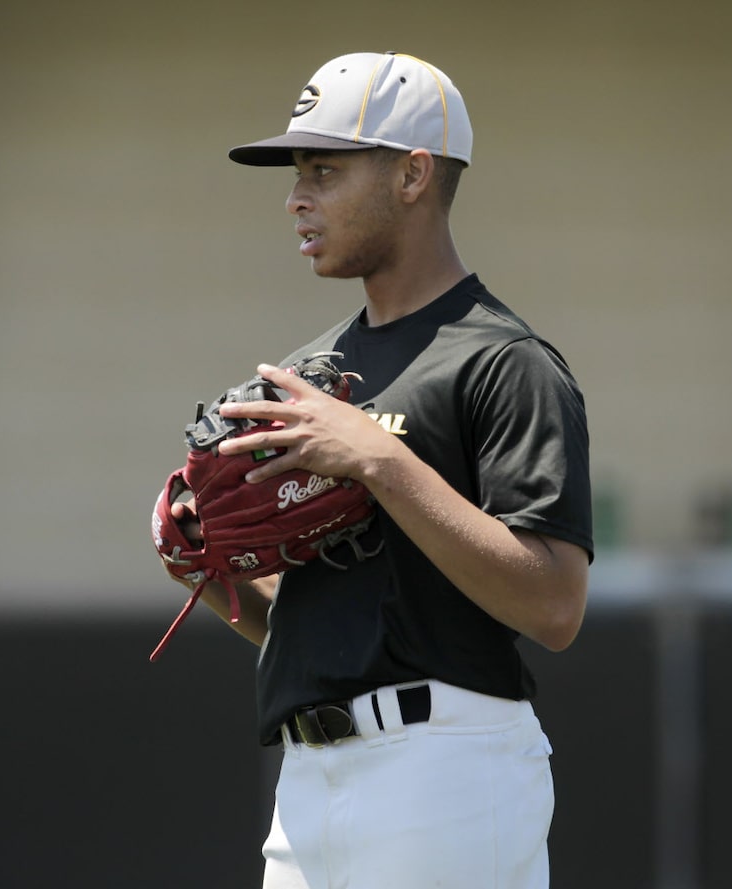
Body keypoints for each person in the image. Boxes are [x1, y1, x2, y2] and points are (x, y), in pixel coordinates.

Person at [170, 51, 593, 889]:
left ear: (412, 174)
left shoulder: (505, 362)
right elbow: (320, 622)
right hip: (307, 781)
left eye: (324, 169)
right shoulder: (308, 372)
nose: (297, 196)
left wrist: (377, 457)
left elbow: (555, 605)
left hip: (447, 767)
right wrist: (203, 565)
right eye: (297, 172)